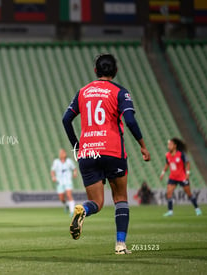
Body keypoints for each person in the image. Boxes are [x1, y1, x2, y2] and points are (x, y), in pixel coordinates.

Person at [62, 53, 150, 254]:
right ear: (116, 71)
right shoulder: (120, 92)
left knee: (96, 202)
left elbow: (66, 120)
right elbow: (130, 121)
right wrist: (143, 146)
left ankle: (83, 210)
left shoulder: (83, 92)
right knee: (120, 198)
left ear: (95, 71)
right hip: (112, 150)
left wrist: (77, 146)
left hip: (88, 152)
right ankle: (120, 245)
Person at [159, 138, 202, 217]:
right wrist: (162, 173)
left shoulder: (181, 154)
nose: (169, 146)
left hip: (182, 177)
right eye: (168, 145)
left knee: (189, 194)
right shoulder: (167, 155)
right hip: (173, 177)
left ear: (175, 146)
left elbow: (188, 163)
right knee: (169, 193)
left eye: (170, 145)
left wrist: (188, 173)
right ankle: (170, 211)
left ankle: (197, 209)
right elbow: (167, 164)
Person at [51, 149, 78, 216]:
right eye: (60, 153)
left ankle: (72, 211)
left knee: (69, 195)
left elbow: (74, 168)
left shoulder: (69, 161)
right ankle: (66, 205)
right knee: (62, 198)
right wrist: (53, 177)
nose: (61, 154)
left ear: (65, 154)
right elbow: (52, 171)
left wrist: (75, 173)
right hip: (59, 182)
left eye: (63, 153)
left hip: (68, 181)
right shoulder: (56, 162)